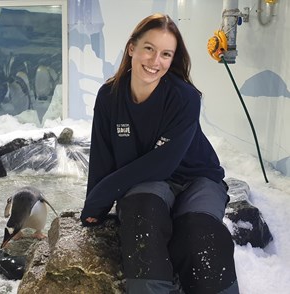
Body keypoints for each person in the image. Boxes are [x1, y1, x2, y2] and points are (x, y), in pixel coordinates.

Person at [80, 13, 239, 294]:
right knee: (142, 217)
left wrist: (104, 193)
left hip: (197, 178)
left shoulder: (185, 98)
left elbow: (162, 163)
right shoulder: (109, 96)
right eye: (149, 49)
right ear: (132, 48)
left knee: (199, 232)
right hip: (147, 182)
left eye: (166, 54)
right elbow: (102, 153)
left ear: (172, 59)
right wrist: (96, 205)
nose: (155, 62)